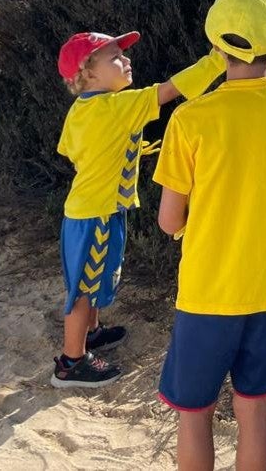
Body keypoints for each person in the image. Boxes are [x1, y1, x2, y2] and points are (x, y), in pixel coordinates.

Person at [153, 0, 266, 470]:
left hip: (207, 293)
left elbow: (169, 221)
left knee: (194, 414)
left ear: (216, 44)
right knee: (255, 409)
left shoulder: (190, 118)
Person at [50, 30, 223, 388]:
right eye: (115, 57)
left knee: (92, 278)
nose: (126, 60)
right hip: (95, 214)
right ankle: (71, 362)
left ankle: (91, 333)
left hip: (87, 210)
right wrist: (217, 61)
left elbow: (72, 151)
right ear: (89, 74)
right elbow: (172, 89)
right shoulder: (118, 107)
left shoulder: (81, 110)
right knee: (83, 288)